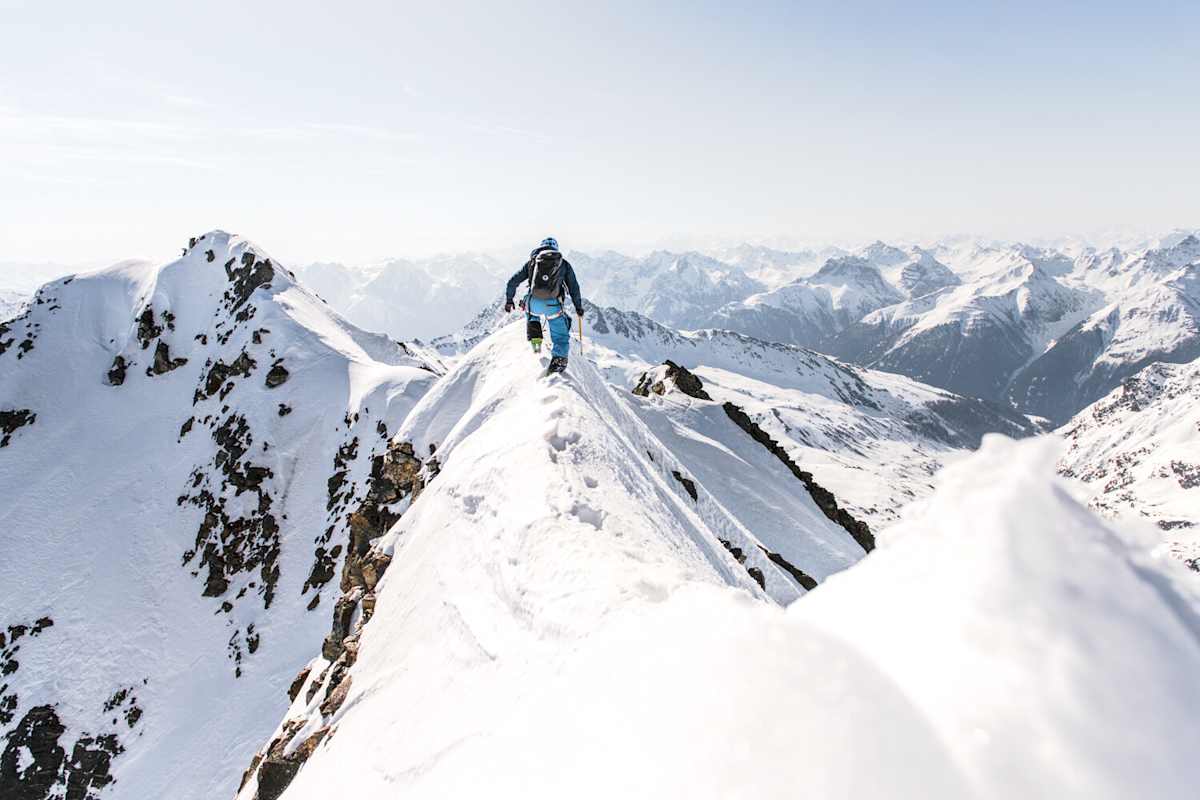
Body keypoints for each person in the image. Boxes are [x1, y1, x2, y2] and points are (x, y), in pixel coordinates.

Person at [504, 236, 584, 374]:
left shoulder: (531, 262)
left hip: (533, 303)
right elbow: (574, 288)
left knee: (530, 311)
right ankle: (559, 359)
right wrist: (578, 307)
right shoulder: (563, 264)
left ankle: (535, 339)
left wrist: (509, 300)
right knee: (560, 335)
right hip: (553, 306)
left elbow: (512, 282)